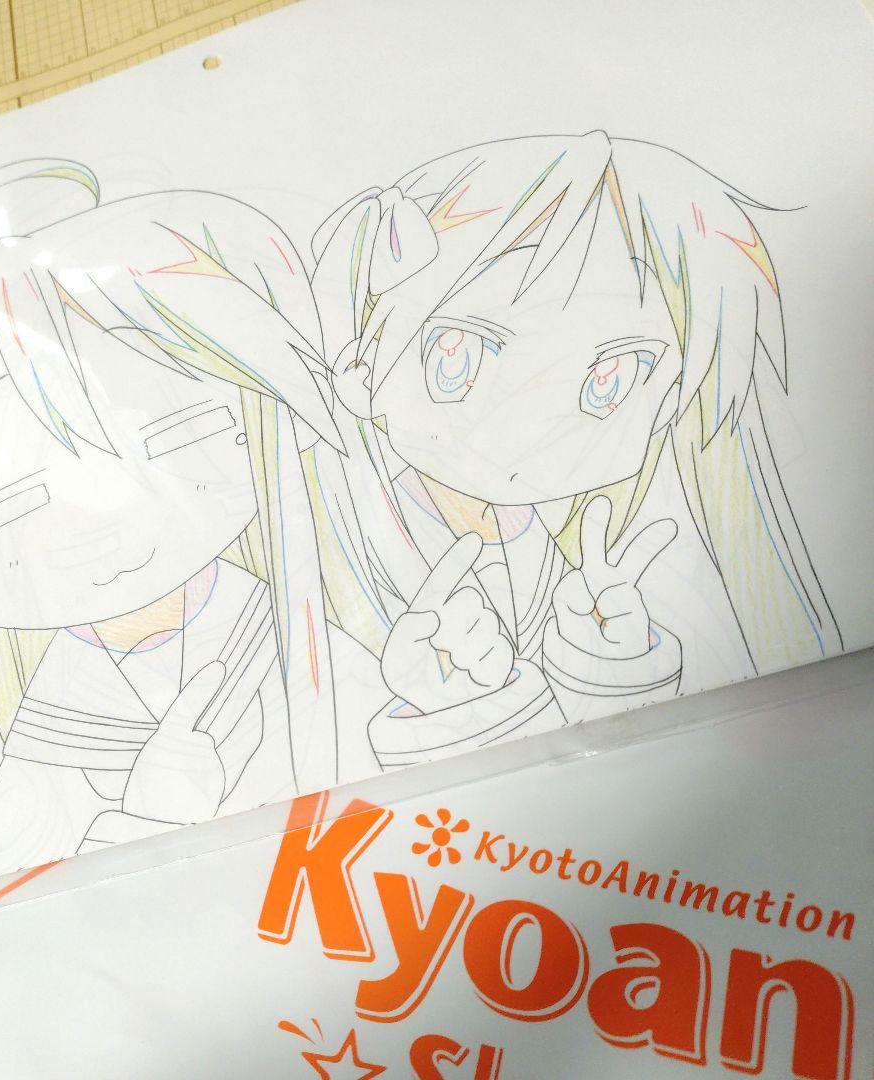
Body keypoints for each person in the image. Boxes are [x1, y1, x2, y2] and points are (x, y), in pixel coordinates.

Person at [0, 160, 392, 888]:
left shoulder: (291, 637)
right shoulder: (41, 739)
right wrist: (137, 828)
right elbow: (20, 899)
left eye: (174, 437)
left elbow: (383, 765)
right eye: (13, 505)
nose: (106, 526)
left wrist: (435, 700)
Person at [308, 132, 841, 761]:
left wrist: (610, 672)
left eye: (611, 378)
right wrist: (442, 709)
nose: (530, 426)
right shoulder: (322, 563)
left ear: (667, 404)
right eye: (458, 355)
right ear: (361, 368)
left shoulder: (595, 562)